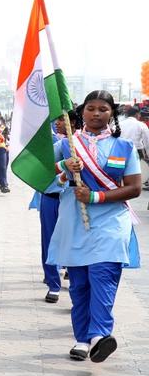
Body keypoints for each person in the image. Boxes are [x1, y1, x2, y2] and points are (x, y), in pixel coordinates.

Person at [49, 91, 141, 362]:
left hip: (111, 221)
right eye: (91, 108)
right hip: (75, 220)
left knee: (103, 277)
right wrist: (64, 166)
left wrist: (95, 197)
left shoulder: (124, 147)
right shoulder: (67, 144)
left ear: (112, 113)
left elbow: (134, 188)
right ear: (82, 112)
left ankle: (100, 335)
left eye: (103, 109)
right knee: (79, 284)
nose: (97, 113)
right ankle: (81, 338)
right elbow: (41, 176)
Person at [30, 114, 72, 303]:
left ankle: (75, 282)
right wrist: (63, 166)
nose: (57, 123)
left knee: (72, 240)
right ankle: (53, 284)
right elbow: (42, 165)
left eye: (61, 119)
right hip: (52, 197)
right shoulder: (59, 144)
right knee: (49, 239)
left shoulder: (85, 145)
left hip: (74, 199)